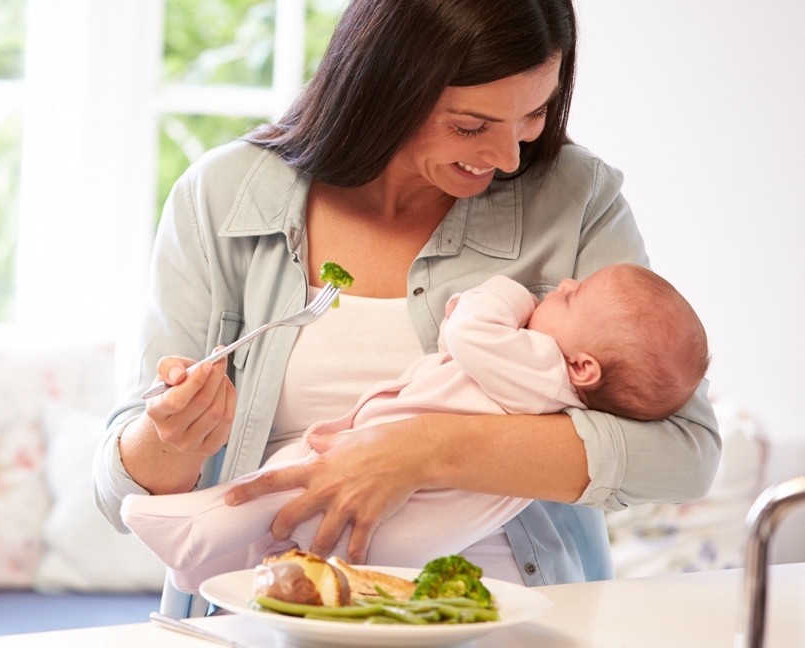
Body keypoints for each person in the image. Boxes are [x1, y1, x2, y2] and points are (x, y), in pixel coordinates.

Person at [92, 0, 720, 619]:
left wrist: (424, 449)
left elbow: (685, 453)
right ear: (382, 89)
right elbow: (117, 491)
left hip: (512, 619)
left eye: (534, 113)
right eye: (471, 126)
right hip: (270, 610)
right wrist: (173, 437)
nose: (509, 157)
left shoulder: (576, 198)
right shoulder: (223, 196)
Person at [120, 264, 710, 592]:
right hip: (423, 534)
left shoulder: (541, 364)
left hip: (396, 491)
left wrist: (501, 290)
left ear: (583, 365)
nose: (558, 286)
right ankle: (207, 568)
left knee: (276, 486)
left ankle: (186, 533)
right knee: (281, 536)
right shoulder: (564, 394)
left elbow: (472, 332)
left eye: (572, 297)